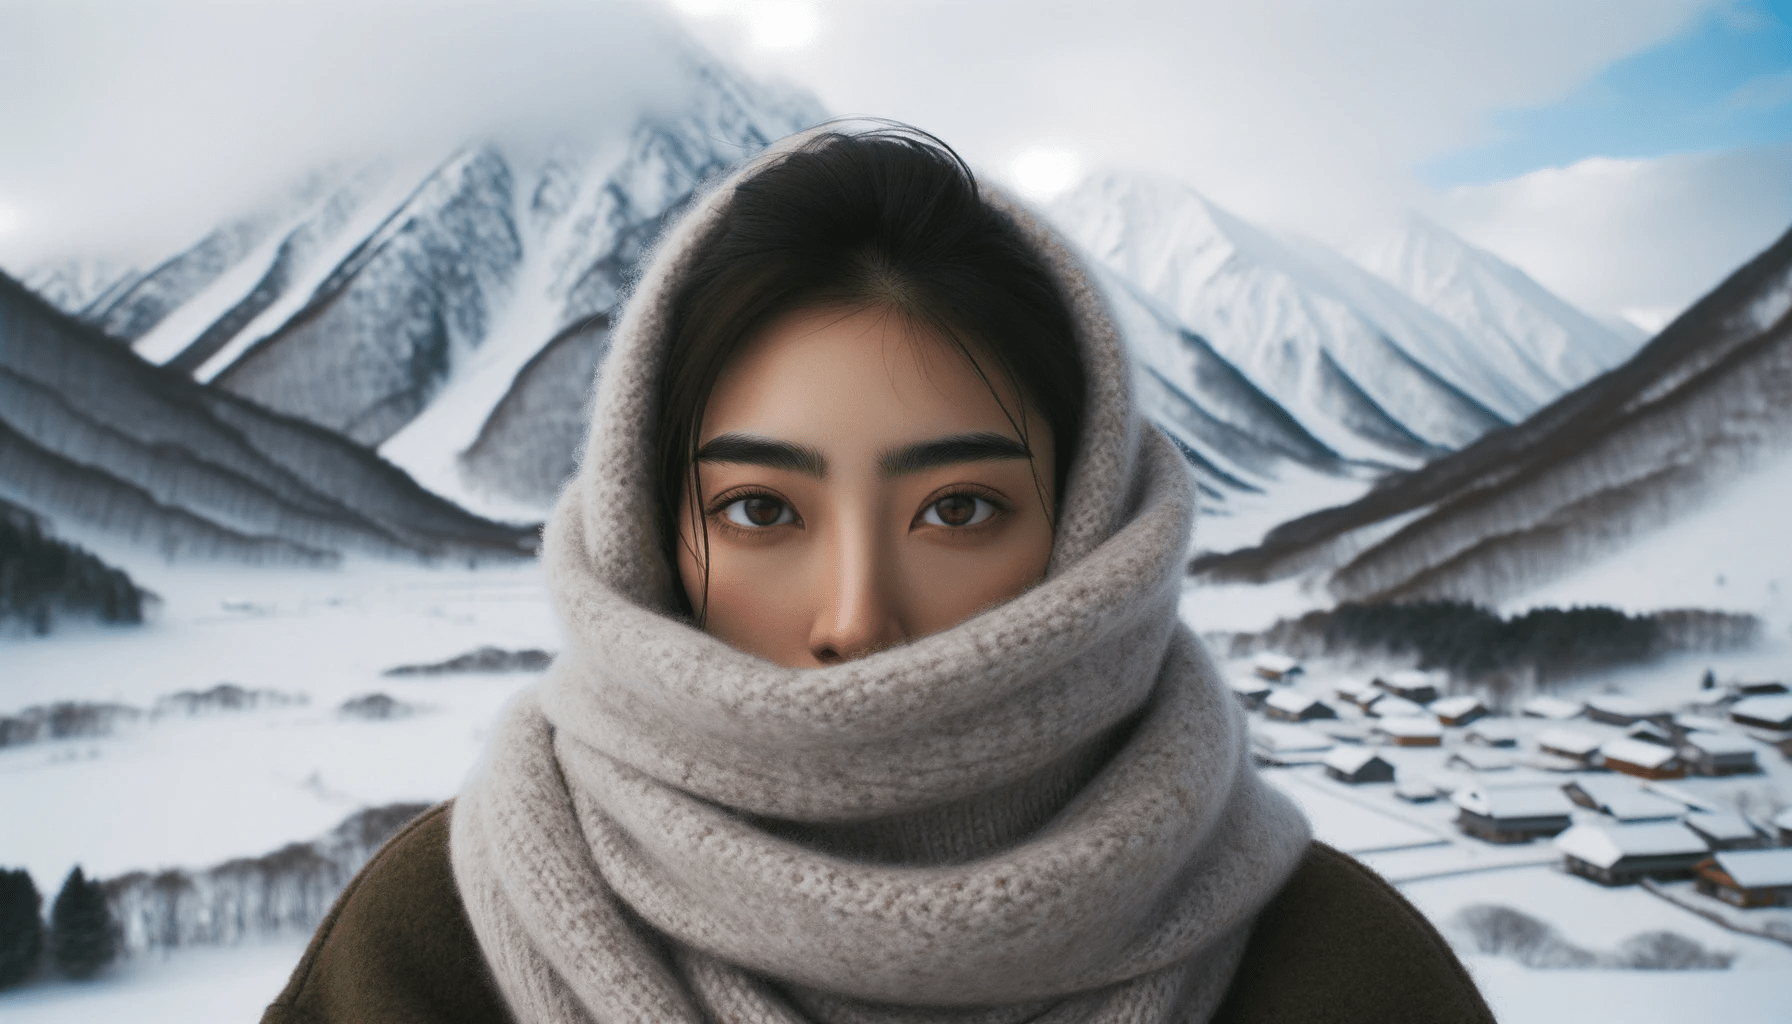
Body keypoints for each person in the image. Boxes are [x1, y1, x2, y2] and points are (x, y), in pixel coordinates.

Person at [263, 125, 1494, 1024]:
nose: (858, 619)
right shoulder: (430, 954)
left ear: (1086, 535)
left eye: (958, 509)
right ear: (654, 539)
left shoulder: (1342, 977)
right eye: (757, 509)